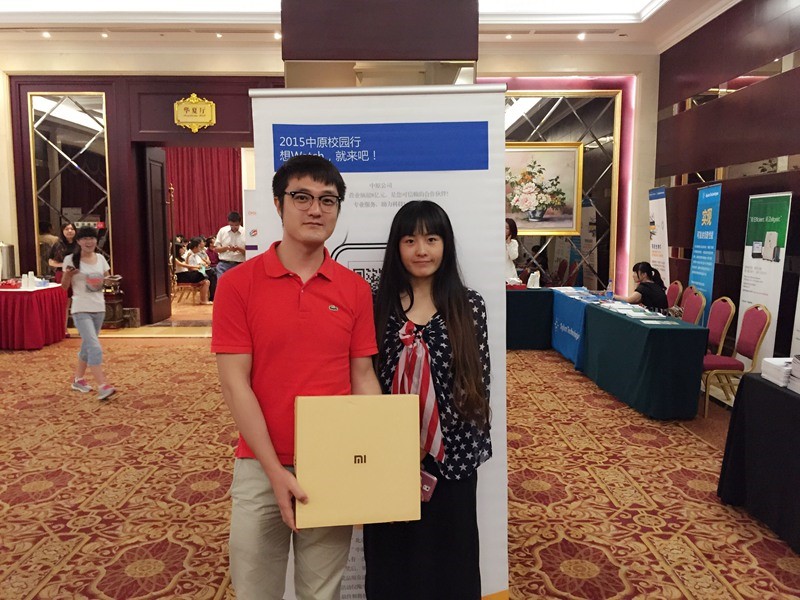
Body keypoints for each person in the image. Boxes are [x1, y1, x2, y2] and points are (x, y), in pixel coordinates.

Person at [212, 155, 382, 600]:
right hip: (258, 463)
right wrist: (274, 470)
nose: (315, 210)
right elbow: (235, 384)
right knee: (255, 590)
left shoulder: (354, 289)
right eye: (302, 197)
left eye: (328, 200)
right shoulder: (238, 285)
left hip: (331, 461)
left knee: (321, 592)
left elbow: (363, 377)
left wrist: (374, 460)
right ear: (278, 203)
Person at [364, 200, 492, 600]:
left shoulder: (468, 305)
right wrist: (395, 443)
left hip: (449, 457)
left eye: (432, 239)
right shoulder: (377, 304)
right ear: (397, 247)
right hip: (387, 456)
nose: (422, 250)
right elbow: (364, 377)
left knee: (451, 561)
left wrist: (427, 442)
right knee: (391, 561)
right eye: (410, 240)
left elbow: (477, 382)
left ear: (445, 245)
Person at [61, 226, 116, 401]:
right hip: (81, 309)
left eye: (91, 238)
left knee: (87, 345)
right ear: (78, 241)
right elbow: (64, 286)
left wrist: (110, 281)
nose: (89, 242)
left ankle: (78, 380)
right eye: (85, 238)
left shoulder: (101, 258)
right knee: (94, 346)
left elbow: (107, 280)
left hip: (99, 307)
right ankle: (103, 385)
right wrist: (68, 274)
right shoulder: (71, 259)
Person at [174, 239, 212, 305]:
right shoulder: (174, 258)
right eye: (182, 248)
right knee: (202, 274)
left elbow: (186, 264)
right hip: (181, 276)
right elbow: (184, 265)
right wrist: (197, 267)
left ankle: (203, 300)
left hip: (186, 274)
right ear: (178, 249)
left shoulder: (181, 258)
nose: (184, 250)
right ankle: (204, 299)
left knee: (206, 282)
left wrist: (188, 257)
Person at [214, 211, 246, 276]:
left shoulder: (245, 232)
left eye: (236, 225)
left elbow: (249, 252)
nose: (233, 227)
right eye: (231, 225)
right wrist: (226, 248)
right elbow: (216, 249)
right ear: (228, 222)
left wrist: (238, 249)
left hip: (239, 264)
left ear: (240, 222)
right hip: (224, 264)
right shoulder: (222, 231)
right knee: (221, 282)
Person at [186, 236, 217, 302]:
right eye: (199, 247)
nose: (200, 249)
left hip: (200, 271)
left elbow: (202, 263)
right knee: (212, 273)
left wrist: (203, 266)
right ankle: (212, 296)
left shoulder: (196, 254)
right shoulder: (190, 255)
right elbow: (191, 268)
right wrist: (202, 268)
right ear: (195, 247)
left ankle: (212, 296)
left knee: (213, 274)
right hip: (194, 274)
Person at [505, 217, 520, 282]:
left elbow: (513, 257)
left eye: (507, 228)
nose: (504, 230)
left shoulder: (513, 242)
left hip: (509, 275)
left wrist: (508, 243)